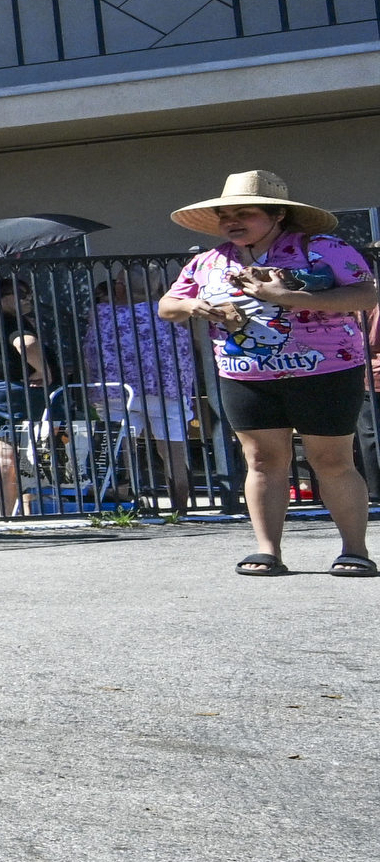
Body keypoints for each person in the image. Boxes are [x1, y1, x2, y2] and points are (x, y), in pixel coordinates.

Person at [155, 171, 376, 575]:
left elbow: (365, 294)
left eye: (245, 212)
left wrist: (287, 296)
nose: (231, 221)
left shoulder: (323, 248)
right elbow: (167, 305)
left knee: (331, 461)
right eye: (225, 215)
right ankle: (267, 550)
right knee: (260, 461)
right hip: (245, 375)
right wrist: (192, 307)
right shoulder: (208, 261)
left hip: (325, 371)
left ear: (277, 215)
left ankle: (355, 551)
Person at [78, 263, 202, 518]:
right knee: (173, 450)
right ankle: (180, 507)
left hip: (117, 391)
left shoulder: (102, 313)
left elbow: (90, 351)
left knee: (123, 448)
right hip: (168, 388)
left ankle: (128, 500)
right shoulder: (171, 313)